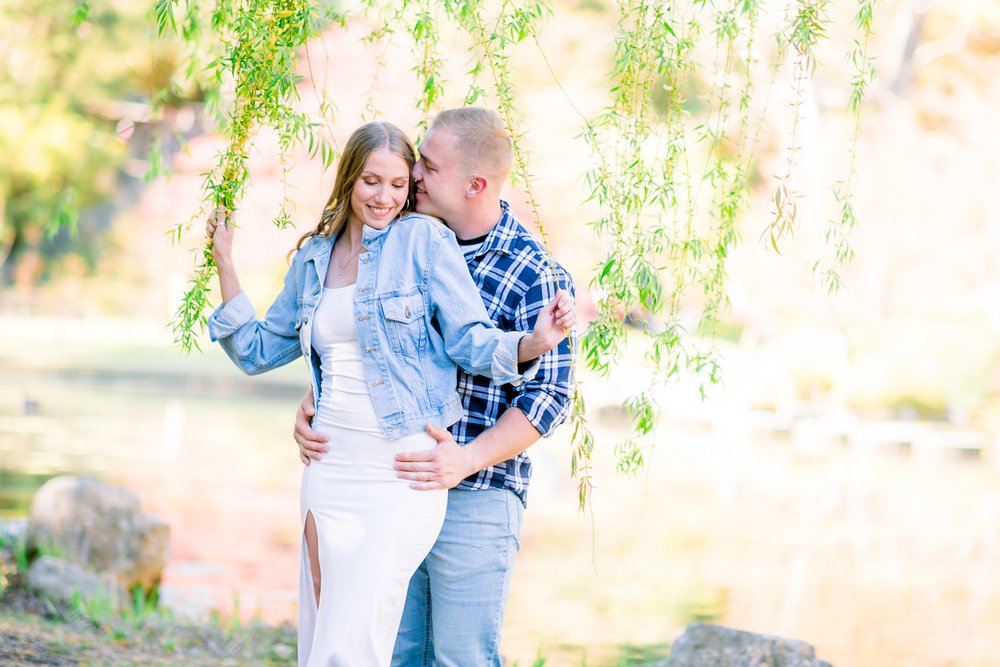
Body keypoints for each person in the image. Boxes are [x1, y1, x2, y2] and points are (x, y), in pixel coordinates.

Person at [204, 120, 574, 667]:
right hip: (337, 467)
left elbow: (524, 380)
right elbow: (277, 350)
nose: (407, 185)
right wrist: (226, 265)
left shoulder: (474, 254)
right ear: (350, 178)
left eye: (414, 174)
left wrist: (531, 344)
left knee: (453, 656)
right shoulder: (317, 257)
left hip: (449, 476)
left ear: (474, 184)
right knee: (360, 639)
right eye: (379, 179)